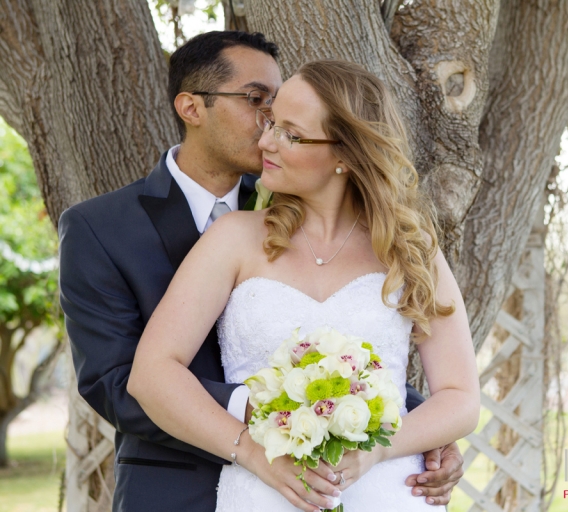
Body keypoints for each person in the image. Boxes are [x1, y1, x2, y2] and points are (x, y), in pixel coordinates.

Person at [59, 31, 463, 512]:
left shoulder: (387, 237)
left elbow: (379, 359)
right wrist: (283, 416)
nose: (267, 133)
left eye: (284, 123)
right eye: (258, 104)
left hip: (377, 485)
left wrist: (406, 429)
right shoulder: (108, 228)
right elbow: (121, 381)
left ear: (343, 156)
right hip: (191, 484)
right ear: (191, 108)